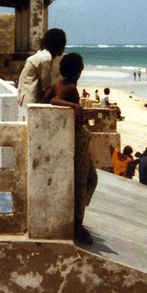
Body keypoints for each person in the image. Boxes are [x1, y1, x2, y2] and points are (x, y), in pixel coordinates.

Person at [41, 52, 96, 245]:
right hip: (77, 139)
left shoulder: (58, 83)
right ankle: (77, 225)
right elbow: (55, 101)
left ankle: (77, 217)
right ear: (78, 71)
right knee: (83, 182)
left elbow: (45, 99)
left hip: (76, 137)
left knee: (90, 179)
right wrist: (74, 106)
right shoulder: (70, 88)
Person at [17, 28, 67, 117]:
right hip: (31, 101)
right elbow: (46, 87)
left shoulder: (42, 55)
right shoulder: (46, 59)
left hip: (24, 100)